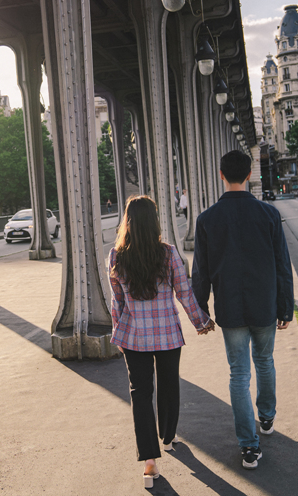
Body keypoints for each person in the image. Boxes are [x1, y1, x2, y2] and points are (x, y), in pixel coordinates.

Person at [192, 150, 294, 470]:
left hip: (230, 308)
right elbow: (282, 266)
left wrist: (201, 313)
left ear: (221, 175)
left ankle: (249, 446)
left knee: (239, 373)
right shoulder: (269, 214)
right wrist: (285, 307)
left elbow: (201, 272)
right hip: (264, 303)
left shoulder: (207, 219)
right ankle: (267, 418)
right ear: (250, 175)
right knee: (265, 361)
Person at [108, 195, 214, 488]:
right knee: (169, 384)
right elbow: (185, 293)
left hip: (133, 335)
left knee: (140, 393)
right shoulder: (167, 254)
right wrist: (201, 322)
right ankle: (168, 436)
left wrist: (119, 333)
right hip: (167, 334)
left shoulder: (117, 256)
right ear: (155, 220)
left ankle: (149, 463)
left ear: (127, 222)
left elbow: (117, 303)